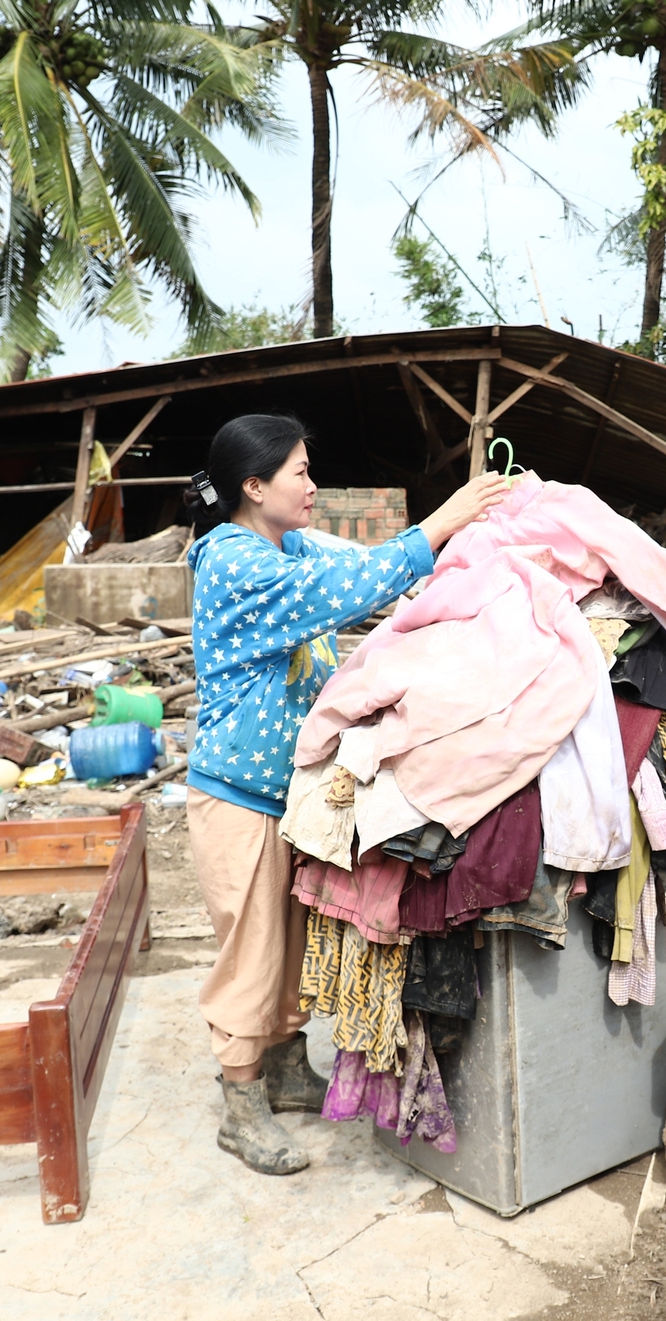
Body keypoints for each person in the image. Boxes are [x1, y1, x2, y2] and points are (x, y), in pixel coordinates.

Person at [182, 412, 511, 1175]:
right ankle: (240, 1102)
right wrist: (438, 524)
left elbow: (359, 560)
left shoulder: (283, 544)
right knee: (253, 954)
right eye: (299, 471)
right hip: (236, 797)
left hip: (287, 795)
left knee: (296, 947)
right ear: (252, 485)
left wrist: (448, 554)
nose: (313, 485)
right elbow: (353, 582)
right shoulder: (233, 561)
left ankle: (289, 1068)